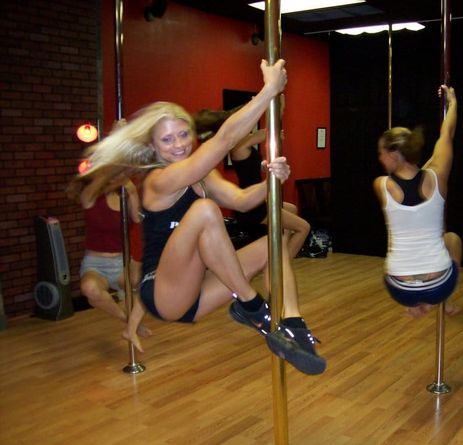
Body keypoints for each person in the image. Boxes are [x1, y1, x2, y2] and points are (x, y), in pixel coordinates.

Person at [78, 59, 325, 375]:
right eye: (167, 140)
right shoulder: (157, 181)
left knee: (274, 241)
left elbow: (242, 200)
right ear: (153, 146)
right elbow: (224, 141)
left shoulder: (203, 176)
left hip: (198, 293)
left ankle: (293, 322)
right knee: (206, 211)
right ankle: (253, 308)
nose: (179, 145)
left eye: (183, 135)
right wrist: (268, 91)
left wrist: (272, 182)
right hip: (162, 292)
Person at [374, 85, 461, 318]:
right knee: (453, 240)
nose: (380, 158)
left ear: (393, 155)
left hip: (398, 288)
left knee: (401, 264)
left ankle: (413, 304)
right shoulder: (437, 177)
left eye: (382, 153)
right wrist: (453, 103)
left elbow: (410, 180)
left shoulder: (382, 185)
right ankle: (444, 300)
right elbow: (447, 134)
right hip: (439, 285)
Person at [195, 104, 311, 258]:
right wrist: (275, 103)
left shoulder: (241, 144)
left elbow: (253, 160)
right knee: (304, 227)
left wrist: (263, 168)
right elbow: (270, 131)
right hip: (253, 207)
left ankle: (283, 248)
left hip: (259, 200)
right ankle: (285, 264)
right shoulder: (239, 145)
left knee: (292, 209)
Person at [67, 174, 151, 351]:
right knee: (90, 288)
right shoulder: (90, 196)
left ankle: (132, 324)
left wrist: (133, 192)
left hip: (121, 261)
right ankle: (129, 322)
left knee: (147, 282)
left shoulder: (123, 197)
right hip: (95, 263)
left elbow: (137, 219)